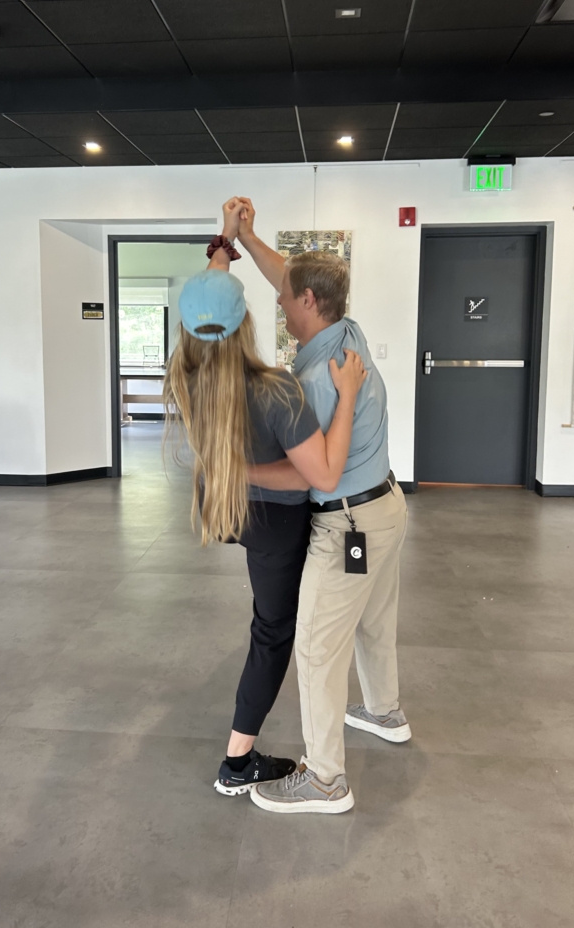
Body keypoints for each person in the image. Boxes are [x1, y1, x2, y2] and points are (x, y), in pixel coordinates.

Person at [163, 197, 367, 798]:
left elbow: (210, 308)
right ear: (245, 323)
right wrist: (348, 392)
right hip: (279, 526)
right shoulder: (276, 390)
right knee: (273, 633)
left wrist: (229, 240)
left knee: (272, 622)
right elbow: (321, 476)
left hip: (238, 516)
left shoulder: (186, 371)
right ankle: (237, 761)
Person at [234, 198, 410, 815]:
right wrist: (248, 237)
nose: (279, 302)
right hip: (385, 510)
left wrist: (238, 470)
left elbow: (315, 471)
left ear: (310, 303)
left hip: (347, 523)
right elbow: (289, 272)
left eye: (287, 297)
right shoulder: (345, 331)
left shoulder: (314, 382)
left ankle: (326, 779)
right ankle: (385, 711)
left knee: (315, 644)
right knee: (372, 621)